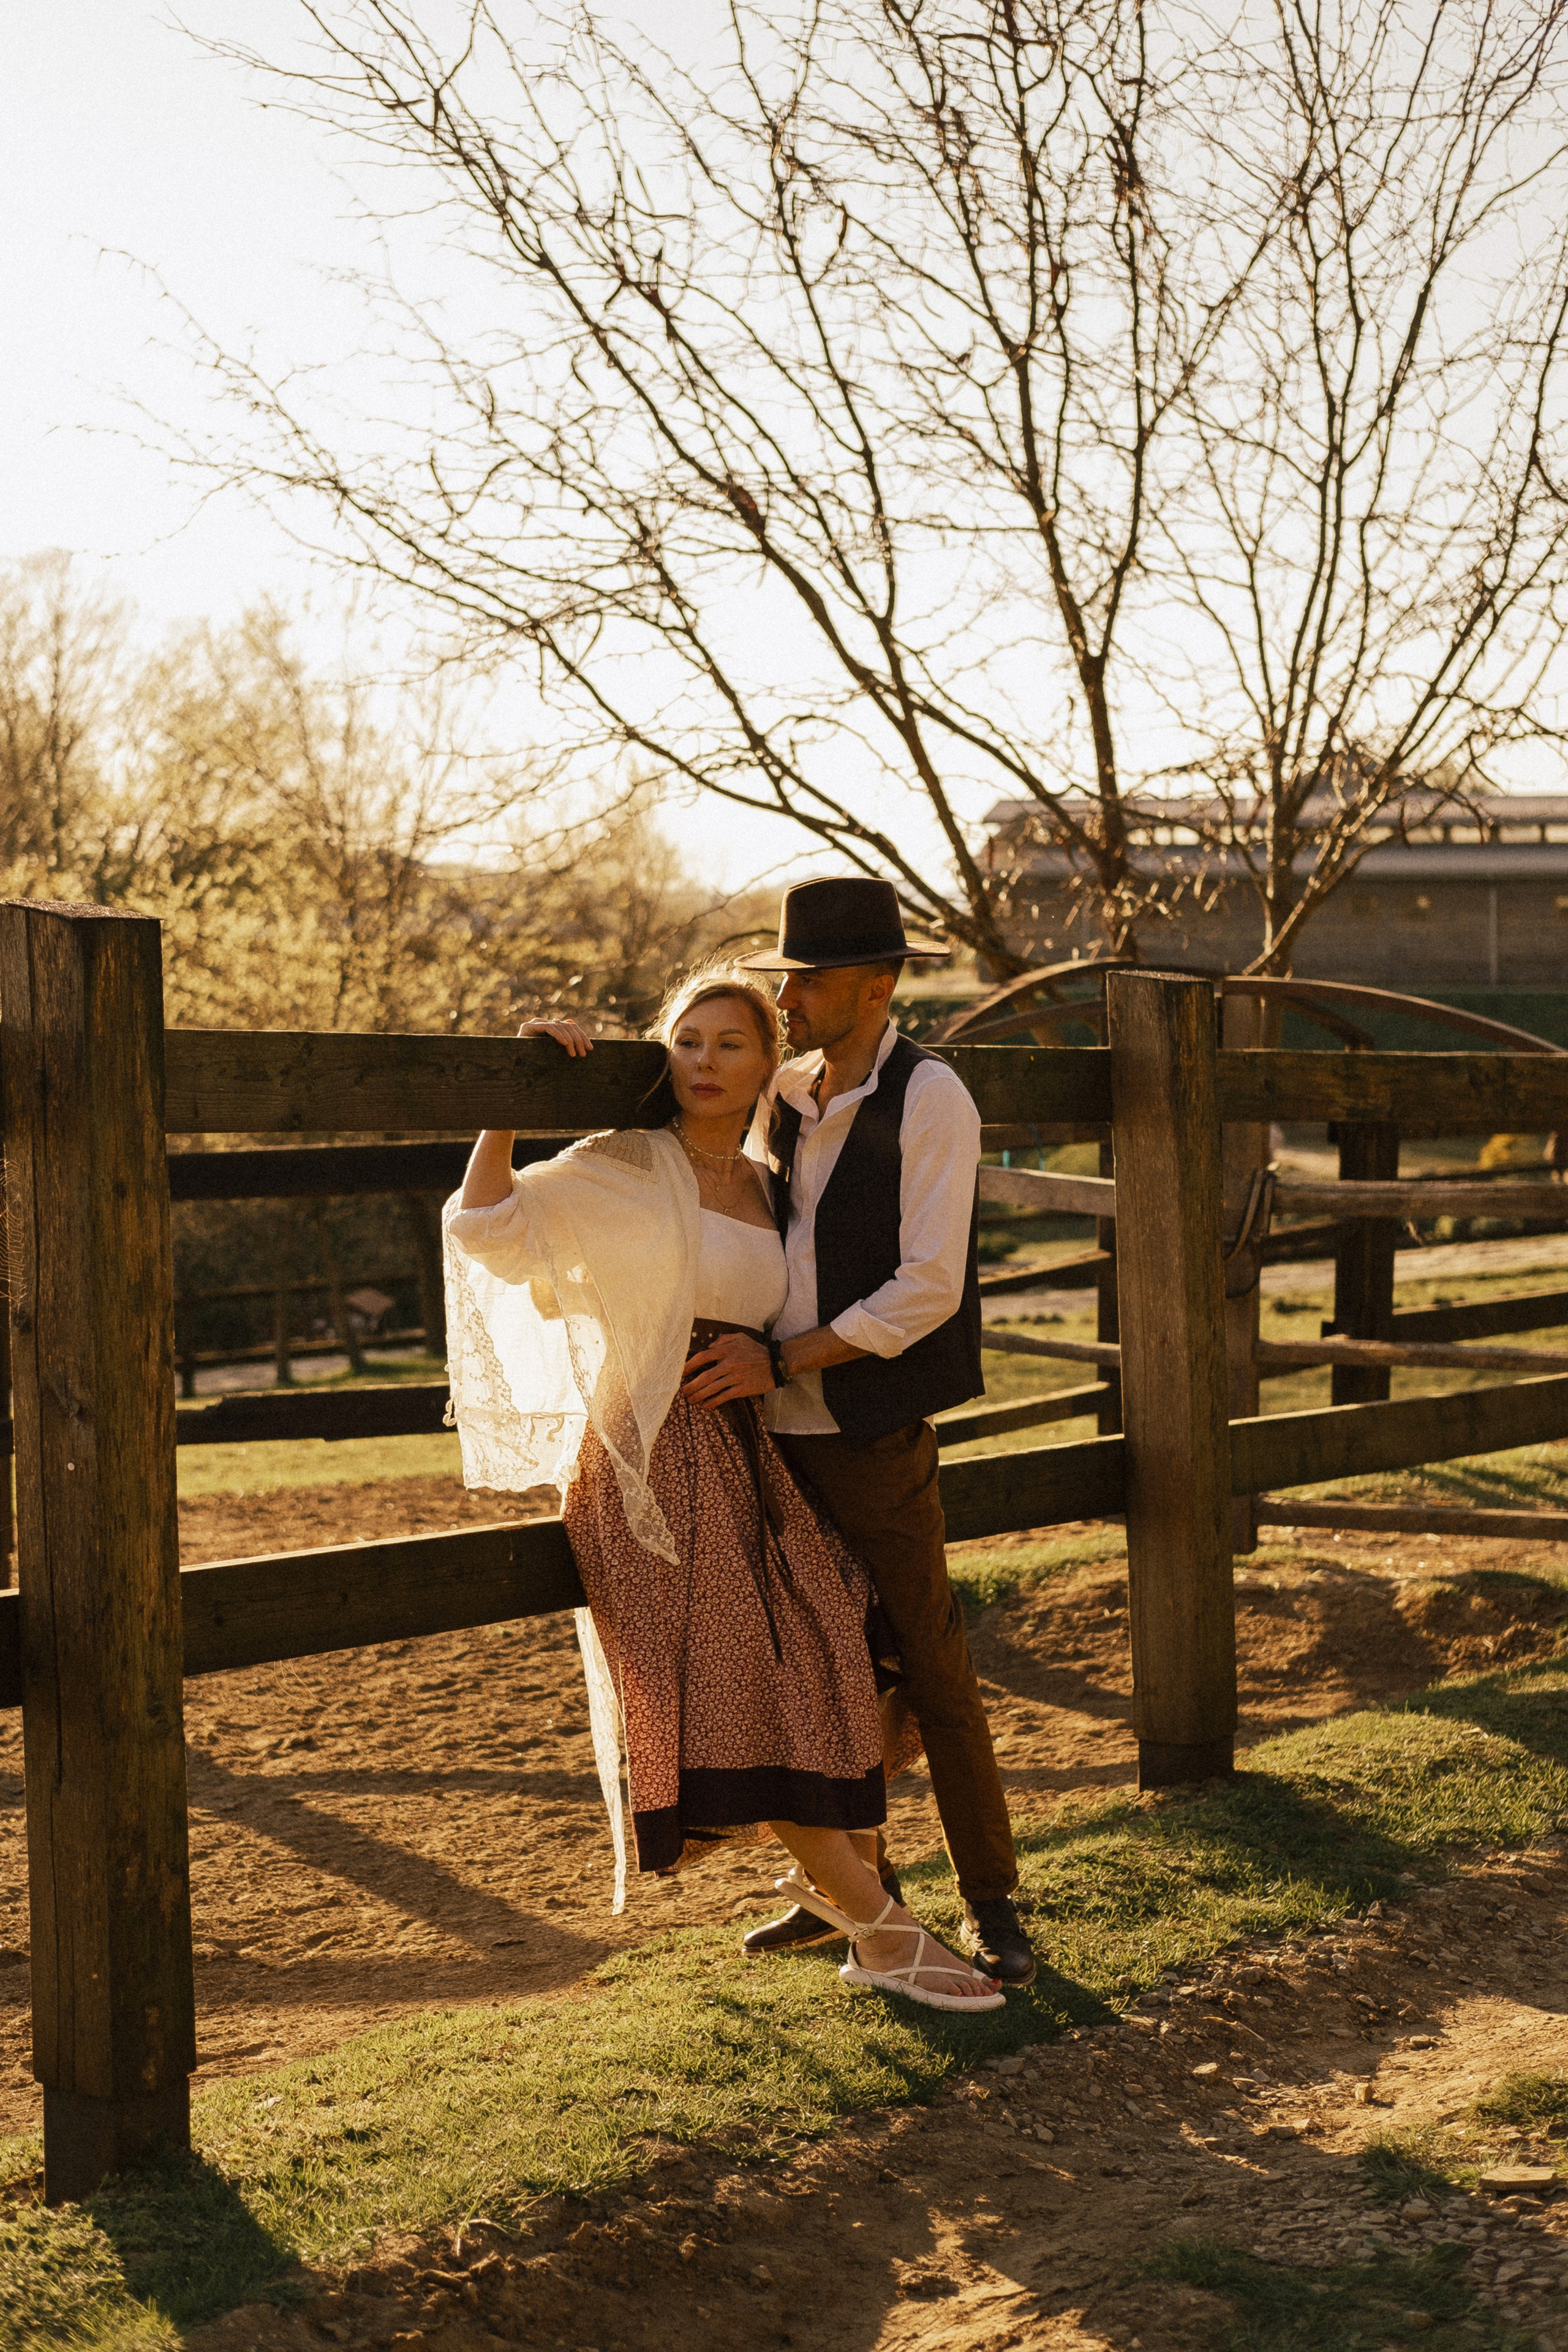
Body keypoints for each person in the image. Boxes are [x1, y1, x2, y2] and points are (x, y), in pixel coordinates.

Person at [442, 966, 1003, 2012]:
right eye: (688, 1041)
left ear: (767, 1067)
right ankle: (880, 1929)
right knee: (749, 1676)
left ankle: (835, 1885)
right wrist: (509, 1112)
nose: (706, 1063)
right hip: (649, 1454)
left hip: (751, 1447)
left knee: (847, 1640)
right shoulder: (626, 1164)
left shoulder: (771, 1185)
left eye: (731, 1045)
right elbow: (488, 1232)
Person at [685, 878, 1037, 1986]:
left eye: (814, 980)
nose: (791, 997)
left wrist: (785, 1358)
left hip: (863, 1425)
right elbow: (679, 1098)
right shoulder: (783, 1088)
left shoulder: (933, 1098)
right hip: (763, 1427)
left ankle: (995, 1904)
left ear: (879, 985)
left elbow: (929, 1286)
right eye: (786, 977)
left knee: (928, 1662)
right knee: (817, 1663)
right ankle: (855, 1899)